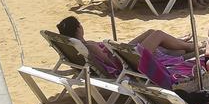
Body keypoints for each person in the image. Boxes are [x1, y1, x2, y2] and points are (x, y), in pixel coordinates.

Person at [56, 16, 195, 65]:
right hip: (126, 60)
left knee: (151, 33)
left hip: (120, 53)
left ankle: (179, 43)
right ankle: (191, 47)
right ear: (79, 29)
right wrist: (112, 48)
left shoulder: (76, 47)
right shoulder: (89, 46)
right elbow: (110, 62)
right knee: (157, 34)